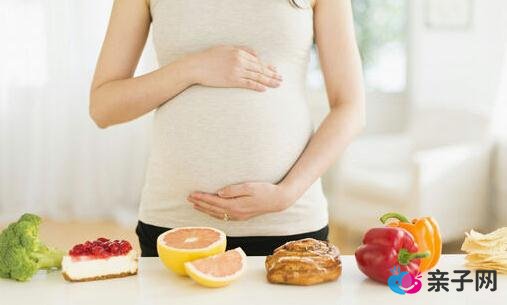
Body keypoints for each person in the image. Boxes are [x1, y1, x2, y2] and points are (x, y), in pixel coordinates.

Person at [89, 0, 365, 256]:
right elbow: (103, 107)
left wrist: (287, 193)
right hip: (175, 224)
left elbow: (350, 107)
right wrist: (192, 68)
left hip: (289, 225)